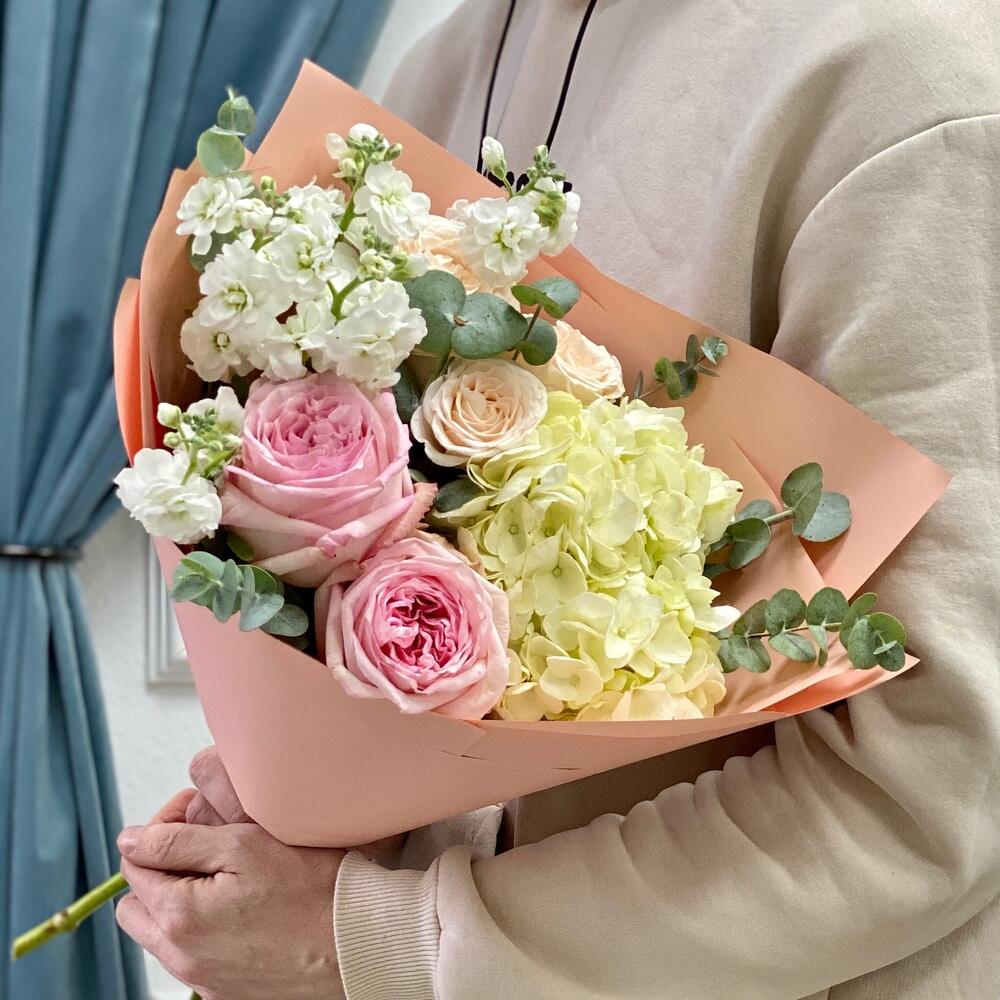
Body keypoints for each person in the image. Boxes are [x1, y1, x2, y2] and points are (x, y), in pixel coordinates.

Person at [115, 1, 1000, 997]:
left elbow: (938, 776)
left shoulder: (902, 85)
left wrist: (381, 938)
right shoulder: (441, 71)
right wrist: (298, 803)